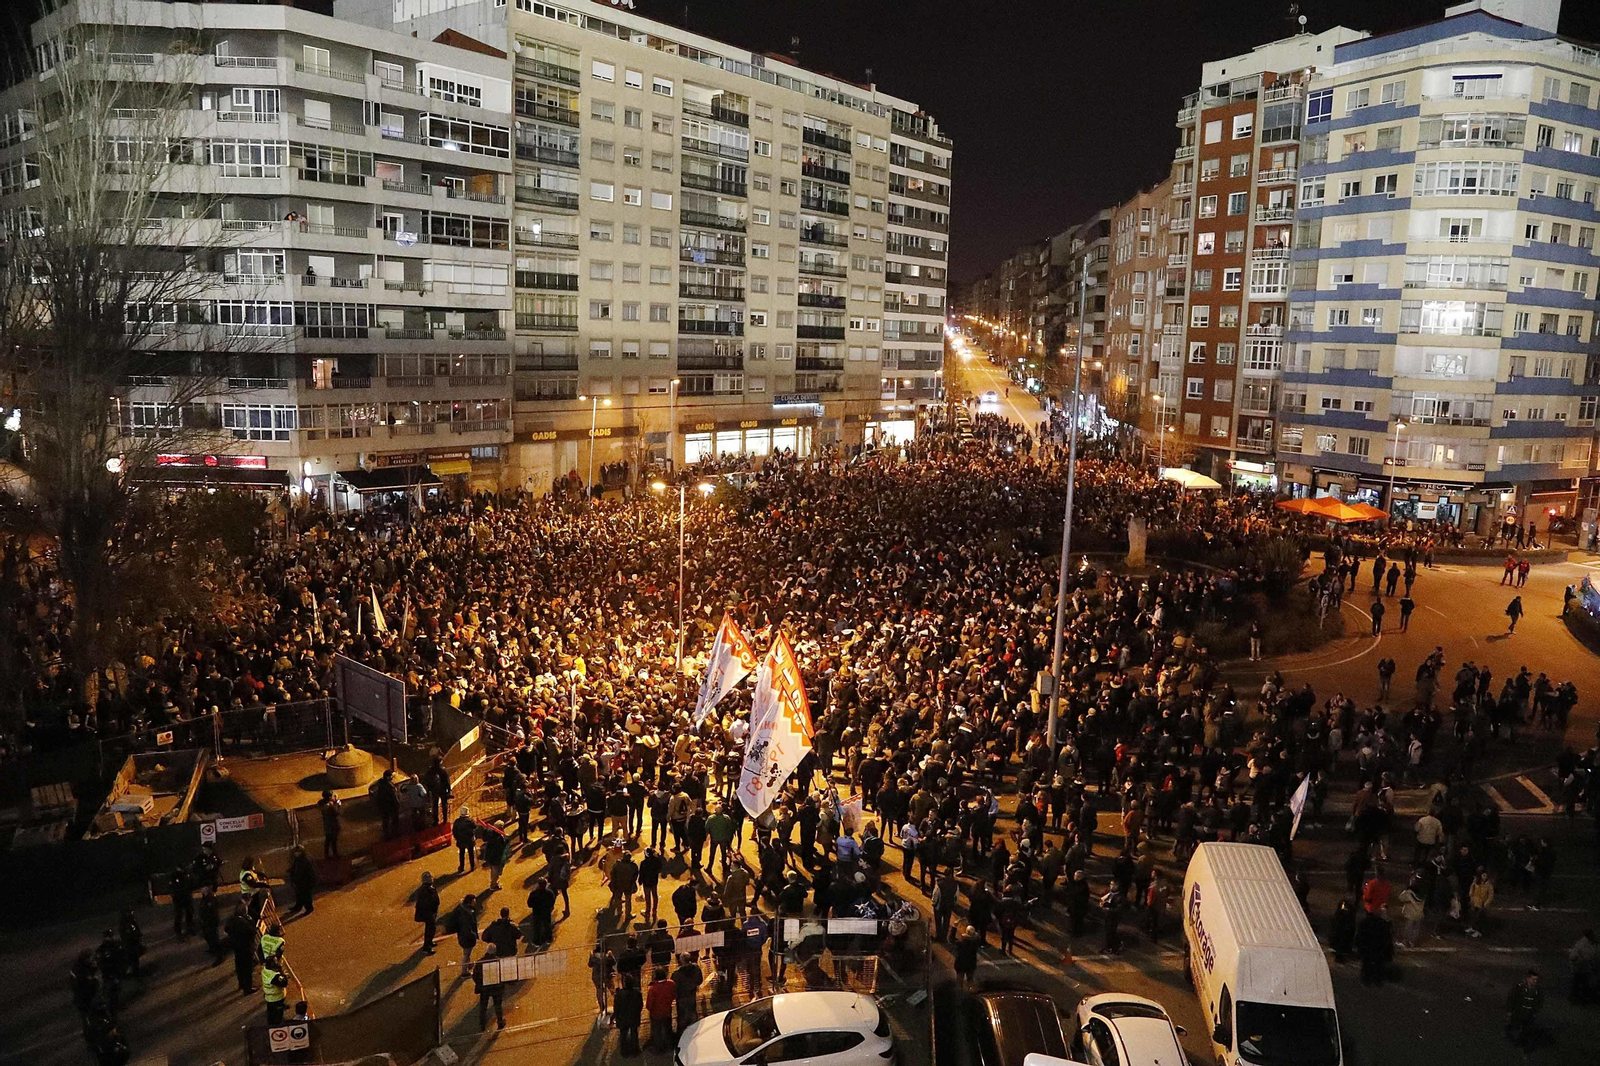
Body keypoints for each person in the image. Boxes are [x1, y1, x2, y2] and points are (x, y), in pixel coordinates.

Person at [1505, 970, 1543, 1050]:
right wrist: (1510, 1010)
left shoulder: (1537, 990)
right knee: (1515, 1028)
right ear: (1528, 978)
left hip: (1529, 1014)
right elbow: (1511, 999)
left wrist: (1535, 1012)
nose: (1535, 981)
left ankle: (1522, 1043)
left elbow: (1540, 1001)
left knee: (1527, 1030)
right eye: (1533, 979)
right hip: (1519, 1012)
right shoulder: (1519, 988)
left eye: (1536, 979)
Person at [1356, 906, 1393, 985]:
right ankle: (1378, 979)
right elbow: (1387, 940)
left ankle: (1367, 979)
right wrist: (1389, 953)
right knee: (1379, 965)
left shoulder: (1364, 923)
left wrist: (1359, 949)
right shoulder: (1383, 924)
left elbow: (1359, 938)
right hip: (1380, 950)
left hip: (1367, 950)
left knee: (1367, 965)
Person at [225, 903, 257, 995]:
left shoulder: (231, 920)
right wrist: (251, 921)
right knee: (248, 969)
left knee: (239, 967)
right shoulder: (244, 922)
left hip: (236, 947)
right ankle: (248, 988)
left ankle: (241, 983)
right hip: (246, 948)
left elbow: (226, 929)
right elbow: (252, 932)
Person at [474, 944, 506, 1030]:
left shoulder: (480, 962)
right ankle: (500, 1022)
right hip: (496, 987)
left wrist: (480, 983)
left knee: (483, 1006)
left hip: (485, 988)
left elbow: (475, 976)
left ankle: (482, 1024)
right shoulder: (498, 961)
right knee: (498, 1005)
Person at [646, 965, 676, 1051]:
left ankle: (659, 1048)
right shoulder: (671, 983)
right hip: (667, 1011)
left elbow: (649, 1005)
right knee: (667, 1028)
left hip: (656, 1014)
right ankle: (670, 1045)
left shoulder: (653, 989)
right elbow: (673, 995)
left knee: (657, 1031)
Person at [613, 974, 643, 1055]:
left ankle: (624, 1051)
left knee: (623, 1034)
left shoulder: (619, 994)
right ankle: (635, 1050)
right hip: (634, 1017)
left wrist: (615, 1017)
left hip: (623, 1018)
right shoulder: (637, 993)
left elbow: (616, 1008)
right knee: (634, 1033)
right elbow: (640, 1005)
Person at [287, 845, 317, 917]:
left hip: (306, 881)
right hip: (299, 881)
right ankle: (298, 906)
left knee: (306, 896)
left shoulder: (305, 860)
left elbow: (307, 872)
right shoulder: (298, 859)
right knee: (299, 895)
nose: (296, 853)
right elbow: (295, 868)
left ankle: (309, 908)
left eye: (298, 852)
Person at [453, 893, 480, 971]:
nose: (475, 902)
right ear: (470, 902)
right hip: (466, 938)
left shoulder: (464, 909)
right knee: (466, 954)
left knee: (466, 953)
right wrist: (473, 935)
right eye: (474, 901)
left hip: (462, 936)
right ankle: (464, 971)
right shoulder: (467, 914)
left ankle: (468, 964)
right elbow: (467, 929)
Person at [415, 871, 440, 955]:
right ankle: (427, 947)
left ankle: (429, 943)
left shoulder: (427, 888)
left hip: (430, 912)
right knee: (430, 929)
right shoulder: (426, 890)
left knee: (430, 929)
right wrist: (431, 912)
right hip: (428, 913)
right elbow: (427, 903)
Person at [169, 863, 195, 938]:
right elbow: (172, 887)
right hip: (178, 898)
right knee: (179, 915)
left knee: (189, 913)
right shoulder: (174, 875)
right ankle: (178, 932)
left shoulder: (186, 874)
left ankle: (190, 928)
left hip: (187, 896)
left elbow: (191, 883)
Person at [318, 790, 343, 859]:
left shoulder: (321, 803)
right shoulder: (330, 805)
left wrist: (334, 801)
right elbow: (337, 813)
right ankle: (335, 854)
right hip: (333, 825)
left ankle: (326, 854)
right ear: (329, 797)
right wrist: (338, 804)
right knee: (333, 840)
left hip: (326, 824)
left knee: (328, 840)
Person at [453, 807, 477, 872]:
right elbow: (475, 826)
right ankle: (472, 866)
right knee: (471, 853)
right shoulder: (471, 821)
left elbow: (454, 831)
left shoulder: (457, 821)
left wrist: (457, 838)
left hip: (461, 840)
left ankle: (462, 867)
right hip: (469, 840)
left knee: (461, 854)